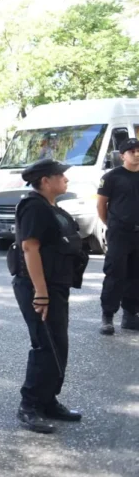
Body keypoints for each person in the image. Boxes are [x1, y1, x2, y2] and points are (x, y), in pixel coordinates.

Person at [11, 159, 86, 434]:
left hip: (55, 285)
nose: (66, 180)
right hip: (38, 287)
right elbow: (30, 249)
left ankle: (47, 400)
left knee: (58, 346)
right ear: (45, 181)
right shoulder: (34, 207)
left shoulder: (50, 206)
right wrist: (40, 293)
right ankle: (29, 406)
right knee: (46, 346)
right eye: (61, 176)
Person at [96, 137, 139, 335]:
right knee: (115, 274)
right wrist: (111, 225)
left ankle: (130, 315)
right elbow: (101, 205)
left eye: (138, 150)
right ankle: (108, 316)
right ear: (122, 155)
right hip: (120, 233)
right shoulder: (112, 177)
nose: (137, 154)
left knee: (135, 275)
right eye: (132, 151)